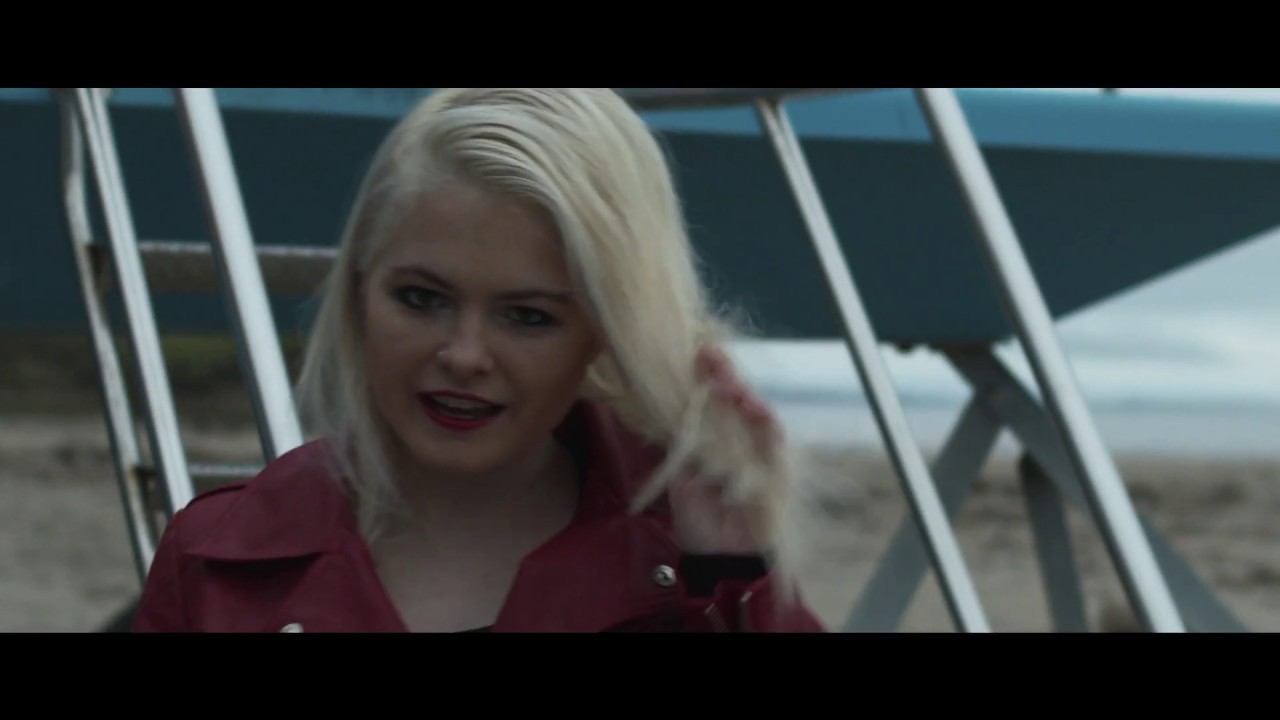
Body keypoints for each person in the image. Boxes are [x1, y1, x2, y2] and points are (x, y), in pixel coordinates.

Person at [131, 88, 826, 633]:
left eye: (528, 316)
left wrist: (736, 577)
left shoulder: (690, 561)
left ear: (606, 331)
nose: (463, 356)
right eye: (420, 298)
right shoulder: (213, 559)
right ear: (359, 290)